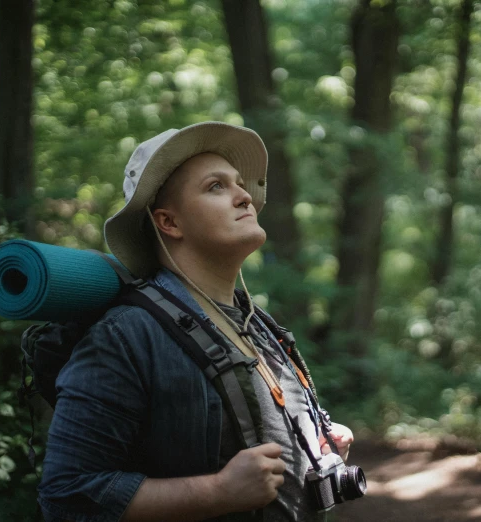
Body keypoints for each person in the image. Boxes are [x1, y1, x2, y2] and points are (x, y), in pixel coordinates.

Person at [37, 121, 354, 522]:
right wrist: (218, 492)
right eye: (216, 187)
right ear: (169, 222)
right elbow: (66, 497)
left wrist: (315, 445)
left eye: (240, 183)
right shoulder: (128, 335)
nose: (244, 197)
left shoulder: (258, 324)